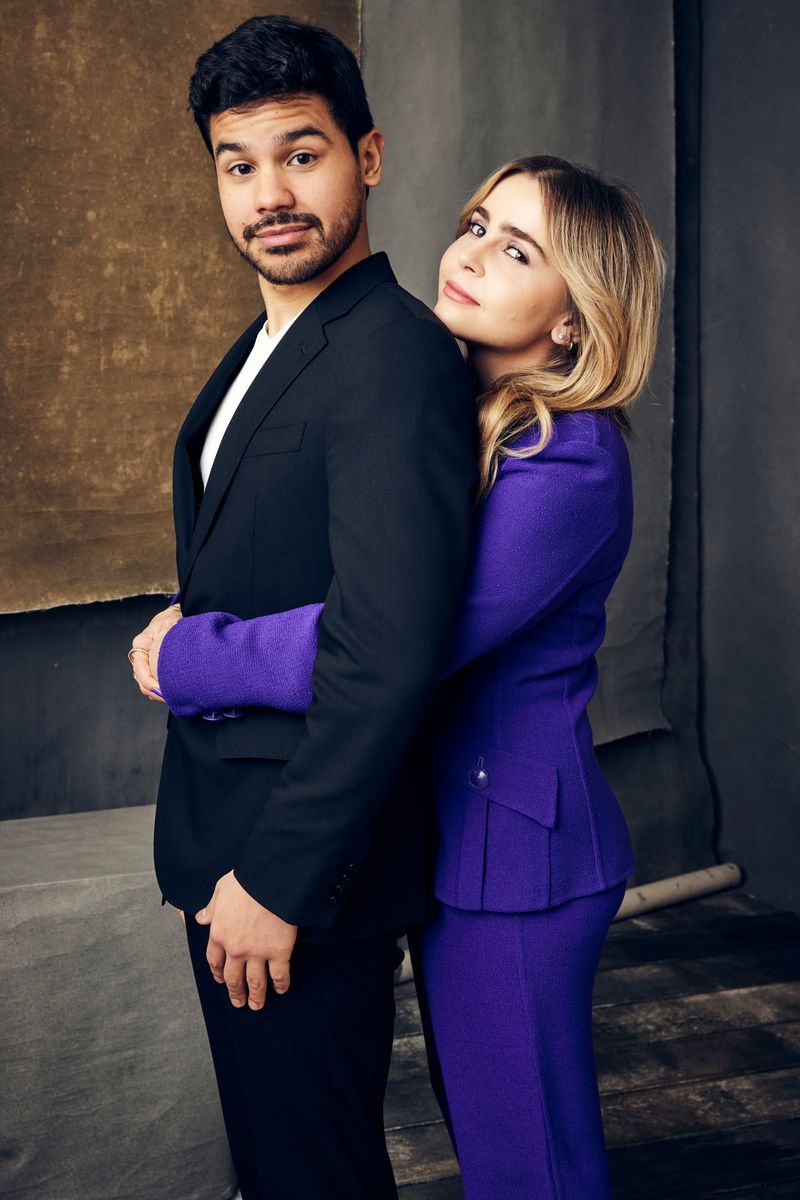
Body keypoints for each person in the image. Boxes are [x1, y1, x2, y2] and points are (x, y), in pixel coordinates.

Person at [138, 155, 666, 1198]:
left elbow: (393, 635)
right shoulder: (473, 421)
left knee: (530, 1166)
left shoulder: (570, 460)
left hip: (515, 863)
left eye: (517, 250)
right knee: (498, 1145)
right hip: (455, 845)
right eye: (476, 223)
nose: (470, 253)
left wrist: (192, 652)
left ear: (574, 319)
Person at [128, 14, 477, 1200]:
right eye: (239, 164)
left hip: (297, 877)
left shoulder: (392, 353)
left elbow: (388, 650)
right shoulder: (271, 345)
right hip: (231, 852)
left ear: (366, 158)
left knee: (314, 1176)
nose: (268, 193)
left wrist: (278, 881)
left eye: (301, 153)